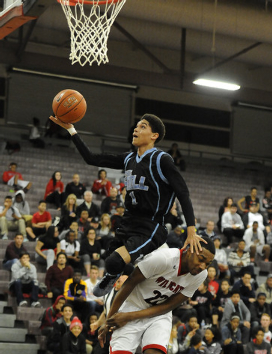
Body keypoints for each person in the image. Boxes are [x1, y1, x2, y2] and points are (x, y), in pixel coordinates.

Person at [50, 112, 203, 297]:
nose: (136, 129)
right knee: (112, 260)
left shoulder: (162, 160)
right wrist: (71, 129)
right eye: (137, 126)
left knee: (113, 262)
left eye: (143, 126)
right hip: (128, 221)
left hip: (150, 226)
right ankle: (121, 274)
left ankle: (126, 278)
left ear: (154, 136)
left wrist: (191, 230)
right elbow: (92, 159)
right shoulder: (129, 158)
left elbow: (183, 192)